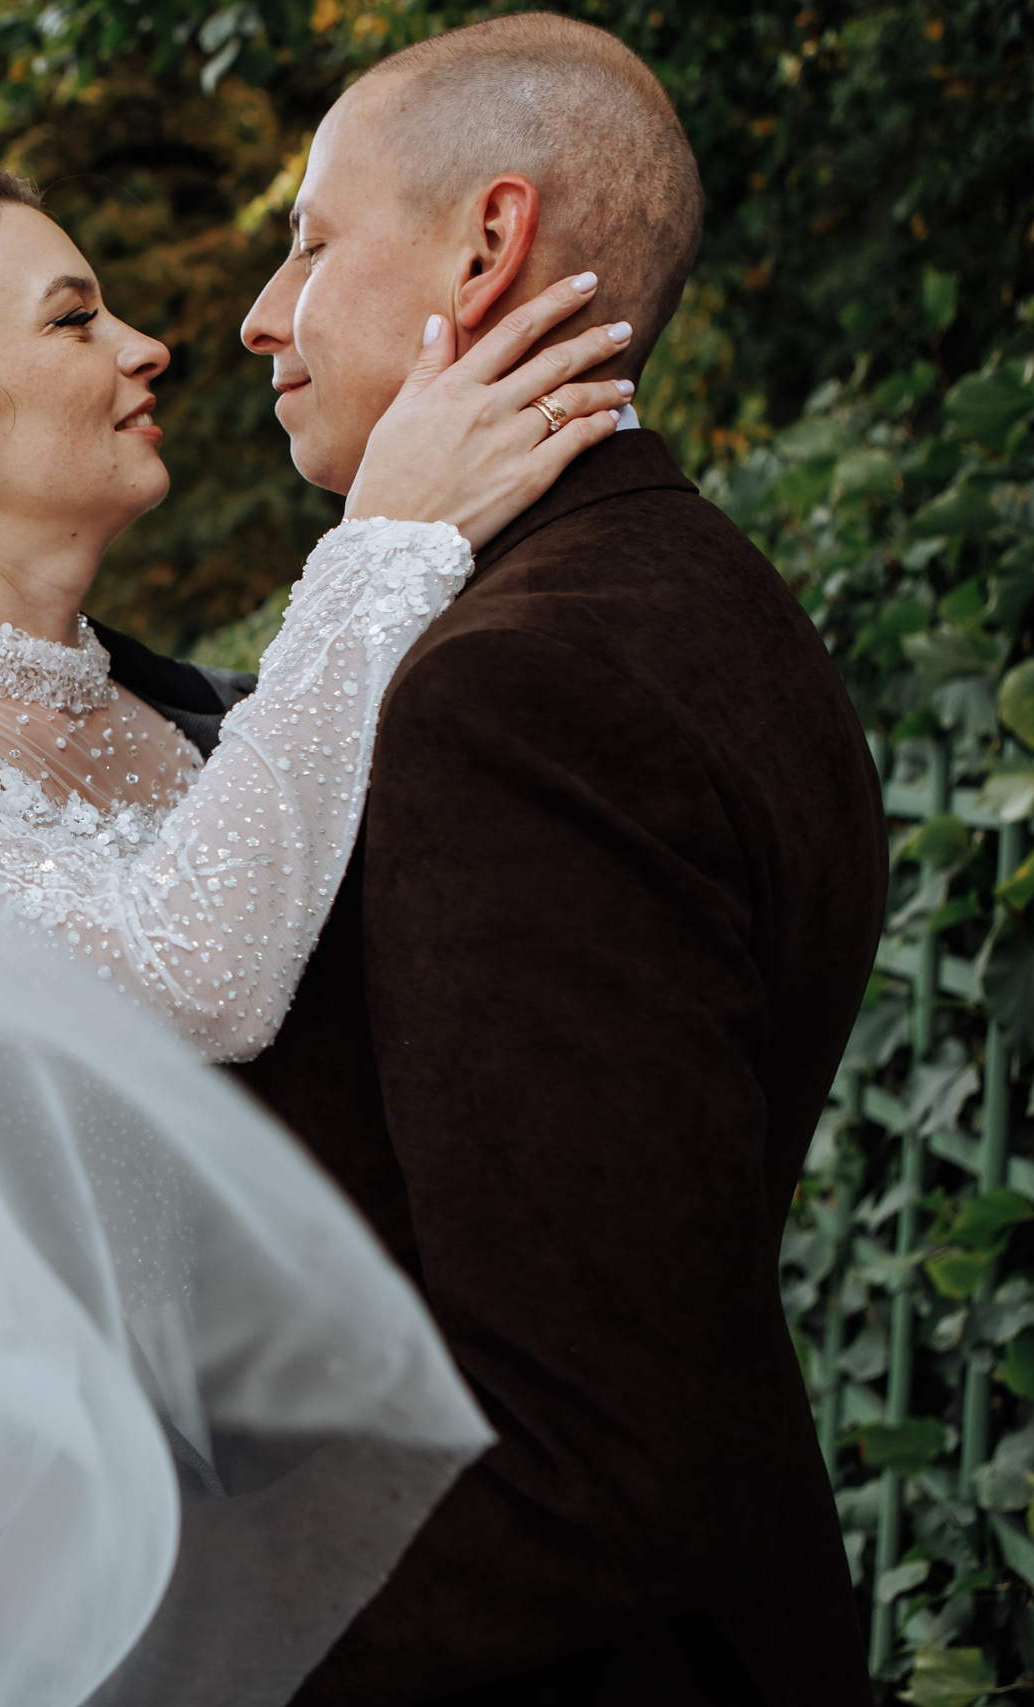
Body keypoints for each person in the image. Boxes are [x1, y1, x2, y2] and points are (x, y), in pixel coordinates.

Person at [231, 15, 886, 1705]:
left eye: (310, 242)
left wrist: (166, 1643)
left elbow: (583, 1463)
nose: (259, 318)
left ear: (487, 239)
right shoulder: (693, 597)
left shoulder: (517, 693)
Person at [0, 154, 633, 1062]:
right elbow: (197, 980)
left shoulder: (211, 706)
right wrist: (382, 543)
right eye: (73, 321)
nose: (149, 347)